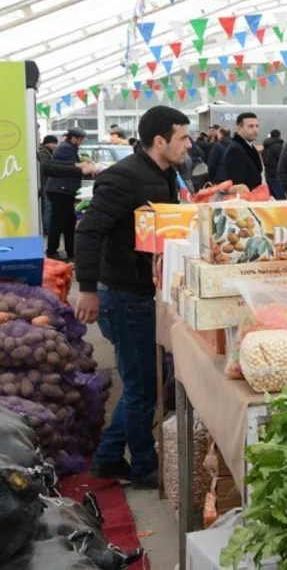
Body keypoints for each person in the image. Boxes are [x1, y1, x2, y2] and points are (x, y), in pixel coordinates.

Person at [75, 105, 192, 488]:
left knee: (145, 383)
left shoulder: (167, 174)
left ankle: (109, 457)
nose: (189, 144)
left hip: (147, 291)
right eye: (183, 138)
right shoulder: (124, 178)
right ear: (160, 141)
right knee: (142, 387)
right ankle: (143, 464)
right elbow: (89, 232)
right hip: (123, 295)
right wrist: (88, 290)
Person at [45, 127, 87, 260]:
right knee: (58, 221)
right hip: (60, 190)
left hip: (64, 190)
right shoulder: (66, 148)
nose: (81, 142)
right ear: (73, 138)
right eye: (79, 139)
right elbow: (70, 167)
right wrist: (82, 167)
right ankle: (52, 251)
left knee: (69, 222)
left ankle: (71, 252)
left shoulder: (69, 148)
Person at [221, 112, 263, 190]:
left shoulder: (249, 146)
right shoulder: (235, 150)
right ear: (239, 128)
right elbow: (237, 184)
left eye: (257, 126)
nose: (255, 130)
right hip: (245, 199)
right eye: (250, 126)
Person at [262, 129, 286, 200]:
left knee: (274, 198)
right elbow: (283, 161)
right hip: (276, 175)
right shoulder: (278, 147)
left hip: (268, 175)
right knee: (282, 200)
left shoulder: (265, 148)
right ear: (279, 136)